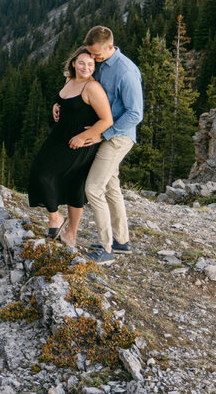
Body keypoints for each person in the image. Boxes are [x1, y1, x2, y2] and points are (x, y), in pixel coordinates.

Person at [70, 25, 144, 265]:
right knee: (111, 186)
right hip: (106, 133)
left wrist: (105, 134)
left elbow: (135, 114)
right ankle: (121, 241)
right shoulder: (100, 62)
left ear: (110, 47)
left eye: (97, 55)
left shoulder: (126, 72)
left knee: (93, 188)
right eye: (91, 54)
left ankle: (106, 248)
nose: (93, 59)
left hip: (118, 137)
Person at [26, 48, 112, 249]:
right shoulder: (70, 81)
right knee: (41, 173)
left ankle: (63, 226)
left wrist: (83, 138)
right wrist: (56, 106)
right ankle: (61, 224)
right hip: (59, 137)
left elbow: (106, 120)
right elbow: (65, 100)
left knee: (54, 178)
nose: (86, 67)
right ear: (73, 63)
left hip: (78, 142)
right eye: (82, 63)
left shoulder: (93, 88)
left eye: (91, 64)